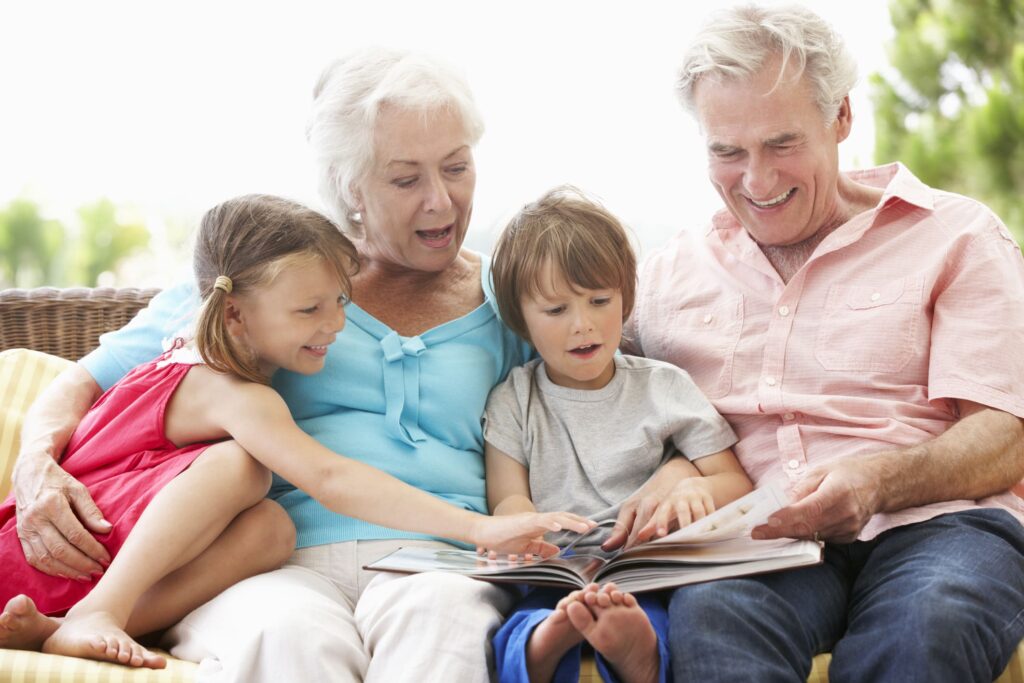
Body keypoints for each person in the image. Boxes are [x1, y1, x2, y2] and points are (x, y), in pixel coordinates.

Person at [8, 49, 691, 682]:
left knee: (443, 627)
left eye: (456, 166)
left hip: (442, 558)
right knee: (286, 637)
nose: (442, 200)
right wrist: (37, 462)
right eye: (405, 178)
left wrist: (684, 463)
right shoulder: (266, 284)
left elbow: (615, 387)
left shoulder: (515, 299)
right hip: (274, 559)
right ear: (348, 186)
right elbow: (85, 379)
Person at [0, 193, 588, 669]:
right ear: (232, 313)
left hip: (98, 555)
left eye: (340, 303)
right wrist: (482, 527)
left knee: (269, 529)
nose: (337, 325)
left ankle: (83, 620)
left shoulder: (218, 359)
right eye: (311, 311)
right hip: (60, 557)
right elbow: (330, 476)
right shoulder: (229, 392)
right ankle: (98, 611)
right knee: (243, 468)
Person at [623, 4, 1024, 682]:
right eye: (727, 151)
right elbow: (578, 373)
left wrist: (877, 479)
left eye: (782, 144)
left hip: (942, 525)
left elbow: (1003, 434)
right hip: (764, 537)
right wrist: (678, 468)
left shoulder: (956, 236)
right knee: (714, 617)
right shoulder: (666, 277)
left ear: (841, 117)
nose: (756, 180)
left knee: (931, 621)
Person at [483, 186, 753, 683]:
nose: (582, 325)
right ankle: (547, 642)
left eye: (599, 300)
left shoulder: (663, 385)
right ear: (520, 319)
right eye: (556, 310)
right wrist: (527, 527)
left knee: (647, 615)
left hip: (646, 570)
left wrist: (696, 486)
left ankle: (637, 649)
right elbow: (506, 501)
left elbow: (735, 484)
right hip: (555, 570)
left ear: (626, 297)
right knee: (524, 623)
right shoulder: (514, 399)